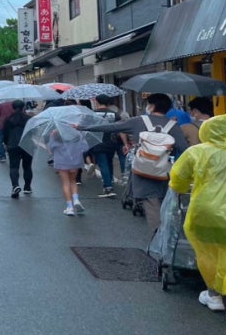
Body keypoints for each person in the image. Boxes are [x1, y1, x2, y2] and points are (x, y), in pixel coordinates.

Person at [168, 110, 226, 334]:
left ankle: (213, 295)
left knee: (208, 254)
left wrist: (181, 189)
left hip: (206, 213)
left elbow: (178, 179)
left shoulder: (196, 152)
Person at [86, 93, 189, 233]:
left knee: (150, 200)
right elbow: (184, 149)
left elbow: (111, 127)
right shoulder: (173, 125)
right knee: (163, 199)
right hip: (163, 170)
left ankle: (158, 235)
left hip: (142, 169)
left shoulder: (138, 121)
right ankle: (166, 231)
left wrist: (82, 127)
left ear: (152, 106)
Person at [89, 94, 128, 198]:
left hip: (98, 142)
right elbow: (121, 130)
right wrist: (125, 144)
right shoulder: (115, 114)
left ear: (97, 102)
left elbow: (88, 129)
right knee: (109, 162)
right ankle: (110, 180)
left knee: (103, 164)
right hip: (112, 142)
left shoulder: (92, 114)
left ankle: (108, 187)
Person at [47, 126, 88, 216]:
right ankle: (76, 200)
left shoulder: (55, 133)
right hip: (75, 160)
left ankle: (70, 207)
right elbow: (85, 147)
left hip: (61, 161)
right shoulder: (78, 132)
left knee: (66, 183)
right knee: (73, 181)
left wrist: (52, 137)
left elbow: (51, 148)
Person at [2, 100, 33, 198]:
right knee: (27, 167)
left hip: (13, 145)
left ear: (13, 107)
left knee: (14, 167)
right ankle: (27, 187)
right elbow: (33, 132)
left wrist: (6, 143)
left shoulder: (8, 119)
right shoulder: (29, 119)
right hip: (27, 144)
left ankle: (15, 186)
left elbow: (5, 133)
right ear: (24, 107)